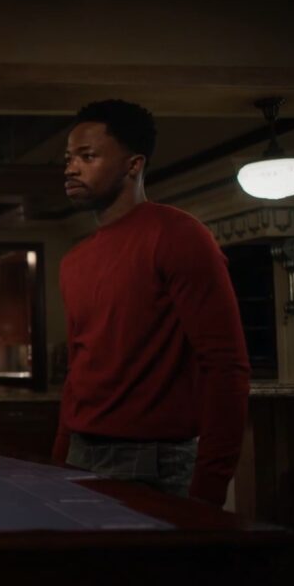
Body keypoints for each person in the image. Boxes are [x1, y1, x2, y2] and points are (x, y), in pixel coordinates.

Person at [53, 99, 250, 506]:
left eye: (87, 156)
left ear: (133, 165)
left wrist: (210, 488)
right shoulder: (74, 260)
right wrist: (58, 462)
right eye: (69, 158)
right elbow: (78, 372)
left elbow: (226, 364)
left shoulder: (178, 235)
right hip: (81, 455)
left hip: (156, 461)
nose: (71, 168)